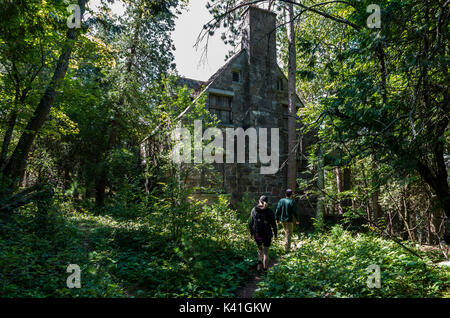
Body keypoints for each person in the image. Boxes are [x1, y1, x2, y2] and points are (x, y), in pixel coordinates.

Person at [249, 195, 277, 271]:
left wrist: (251, 233)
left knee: (260, 249)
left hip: (258, 235)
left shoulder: (254, 210)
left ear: (259, 201)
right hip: (267, 235)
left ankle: (259, 265)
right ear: (267, 202)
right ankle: (265, 269)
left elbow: (251, 223)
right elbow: (273, 224)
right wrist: (275, 235)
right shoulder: (270, 211)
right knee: (266, 252)